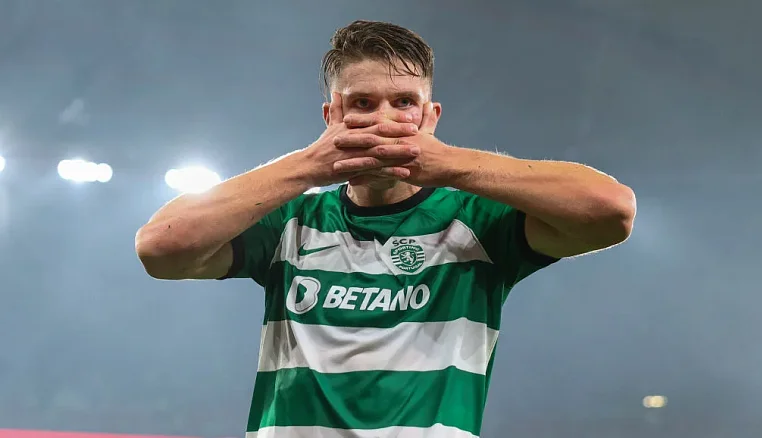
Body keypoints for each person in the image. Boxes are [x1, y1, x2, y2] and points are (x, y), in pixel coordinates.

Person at [135, 20, 637, 438]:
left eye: (403, 102)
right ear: (331, 117)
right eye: (362, 103)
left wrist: (452, 165)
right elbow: (161, 248)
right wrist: (309, 165)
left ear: (430, 118)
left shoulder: (478, 222)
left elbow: (612, 211)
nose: (384, 120)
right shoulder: (290, 221)